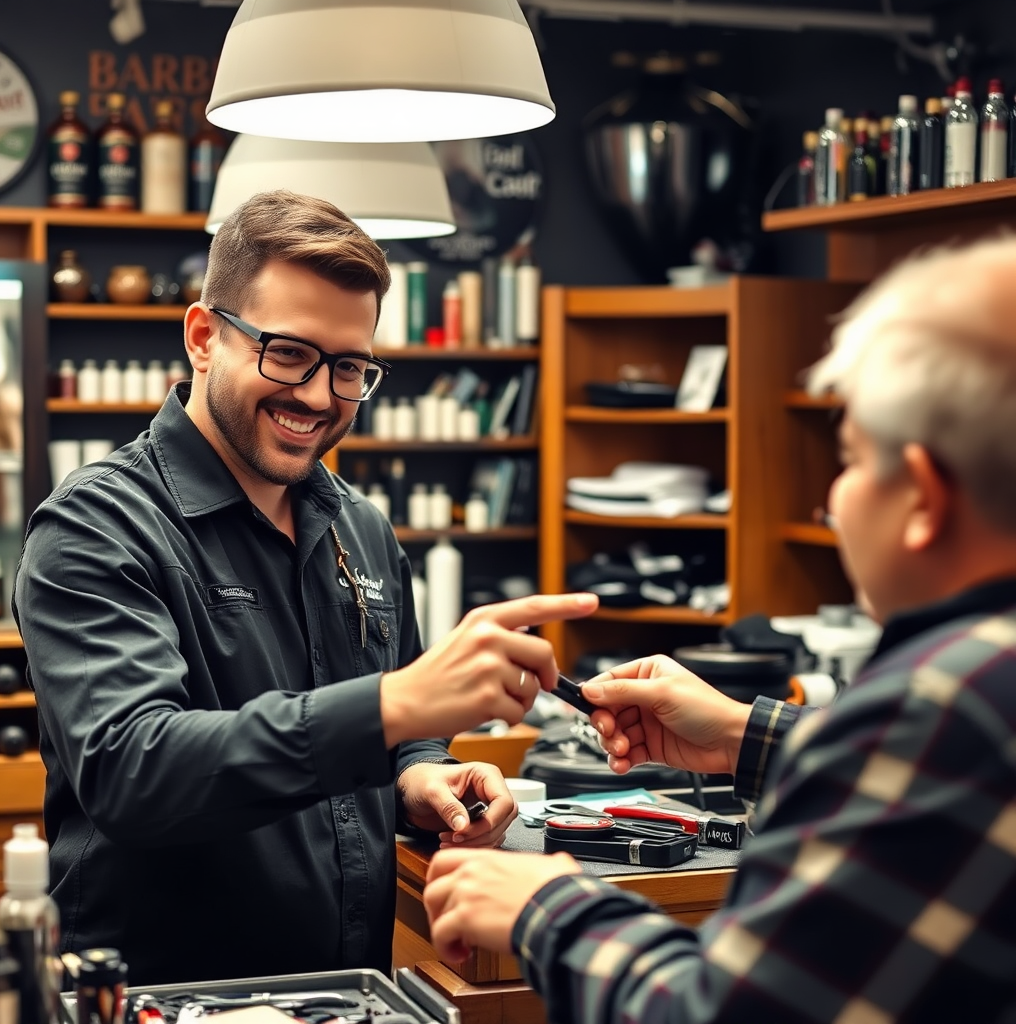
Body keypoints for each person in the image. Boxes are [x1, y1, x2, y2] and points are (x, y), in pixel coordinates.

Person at [423, 235, 1016, 1022]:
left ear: (924, 501)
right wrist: (747, 735)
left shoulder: (945, 700)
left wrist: (547, 906)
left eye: (852, 460)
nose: (834, 503)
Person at [13, 189, 598, 985]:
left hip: (343, 992)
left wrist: (423, 776)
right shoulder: (94, 525)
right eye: (288, 353)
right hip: (162, 999)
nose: (321, 397)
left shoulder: (359, 527)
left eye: (351, 367)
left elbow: (396, 736)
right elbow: (133, 770)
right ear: (204, 338)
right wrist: (397, 706)